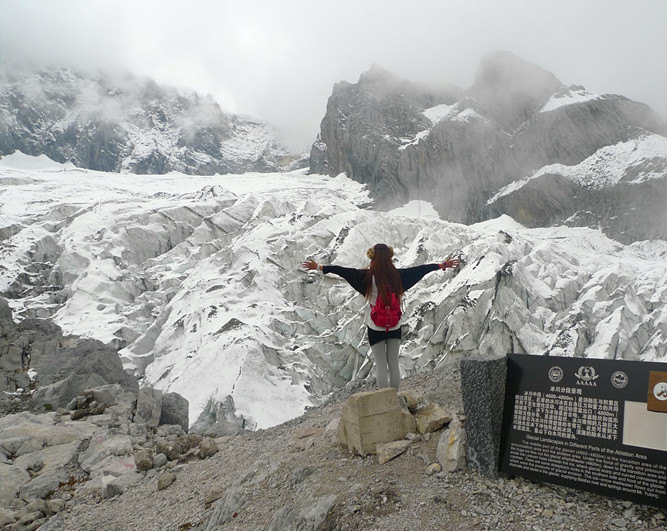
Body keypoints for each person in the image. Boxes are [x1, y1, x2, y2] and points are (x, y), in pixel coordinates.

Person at [302, 243, 460, 391]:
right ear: (390, 258)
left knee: (381, 366)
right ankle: (395, 397)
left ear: (373, 259)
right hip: (394, 325)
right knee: (393, 364)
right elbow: (420, 270)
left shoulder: (365, 277)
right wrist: (441, 265)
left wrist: (319, 267)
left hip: (375, 326)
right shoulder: (399, 276)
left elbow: (343, 271)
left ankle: (385, 400)